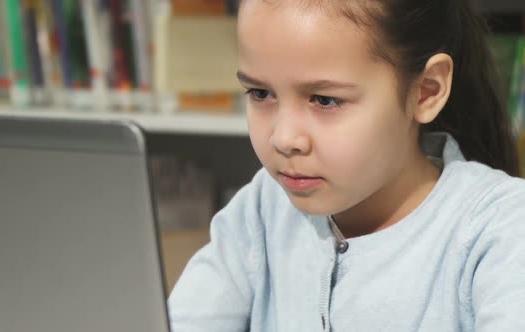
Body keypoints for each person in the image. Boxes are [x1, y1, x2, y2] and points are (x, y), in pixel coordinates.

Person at [168, 0, 525, 331]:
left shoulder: (500, 229)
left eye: (325, 100)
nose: (284, 138)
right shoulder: (262, 208)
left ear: (426, 91)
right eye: (260, 94)